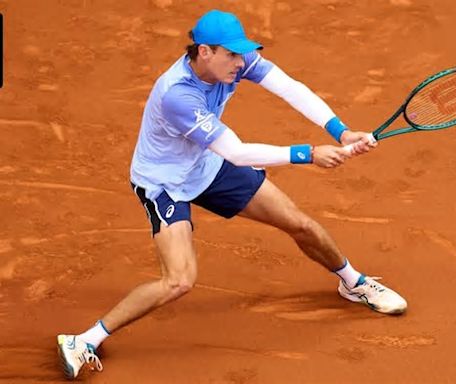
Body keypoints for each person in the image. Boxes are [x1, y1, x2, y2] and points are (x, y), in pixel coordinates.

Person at [57, 9, 407, 379]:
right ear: (204, 52)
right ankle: (85, 340)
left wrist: (340, 131)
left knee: (299, 223)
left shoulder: (235, 63)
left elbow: (289, 87)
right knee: (179, 280)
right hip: (165, 184)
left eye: (242, 54)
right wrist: (308, 153)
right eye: (231, 55)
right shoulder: (178, 95)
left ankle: (354, 283)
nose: (240, 62)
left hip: (207, 166)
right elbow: (237, 152)